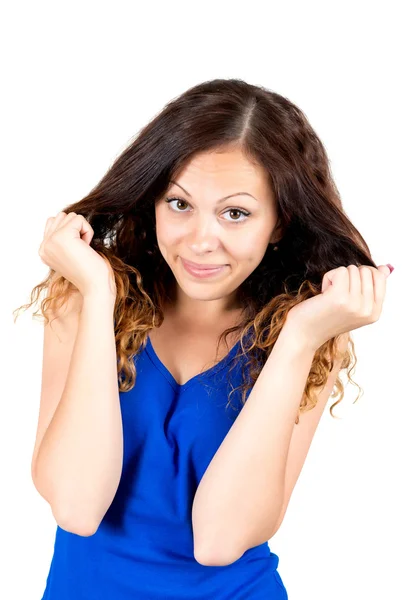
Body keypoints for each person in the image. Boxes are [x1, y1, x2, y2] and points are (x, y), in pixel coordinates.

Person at [15, 78, 393, 599]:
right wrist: (100, 296)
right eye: (179, 204)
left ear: (279, 223)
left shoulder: (307, 334)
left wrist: (301, 337)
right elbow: (77, 508)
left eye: (235, 213)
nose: (199, 240)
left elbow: (219, 540)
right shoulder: (83, 299)